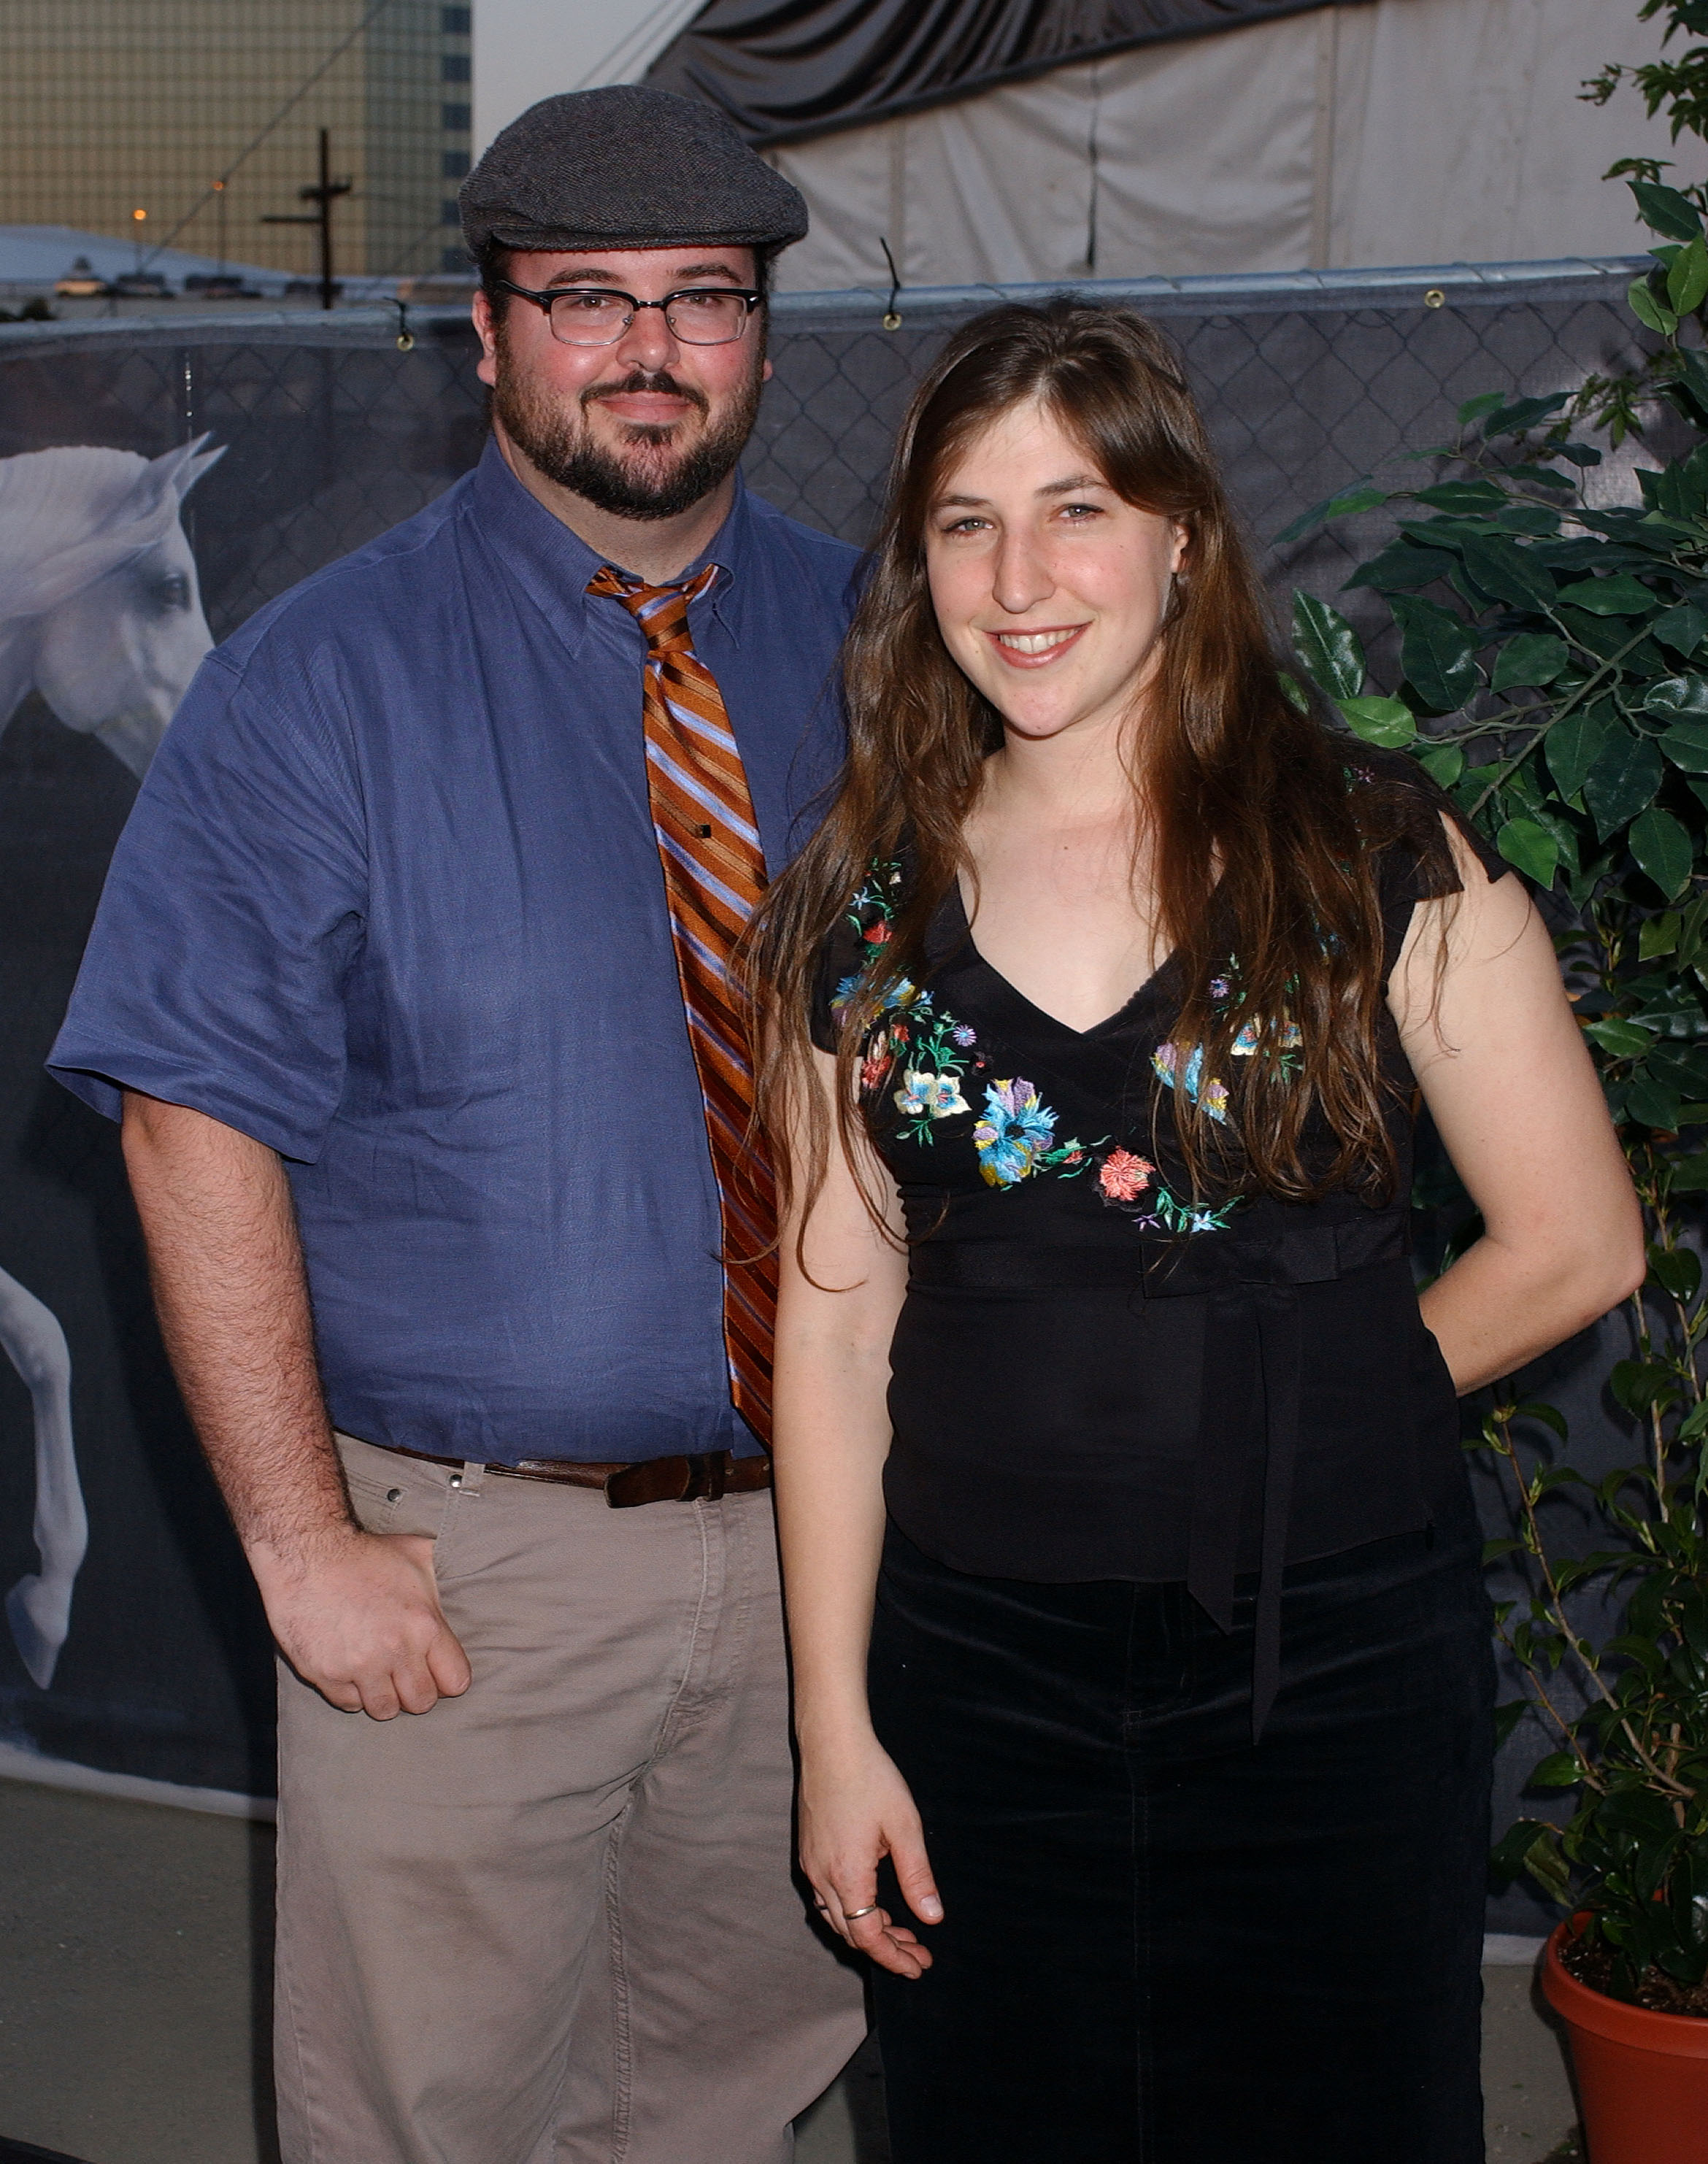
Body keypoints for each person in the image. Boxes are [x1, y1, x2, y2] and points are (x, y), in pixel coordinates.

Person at [48, 85, 866, 2164]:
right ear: (483, 334)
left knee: (727, 2088)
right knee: (429, 2119)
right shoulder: (318, 680)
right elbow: (187, 1119)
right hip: (471, 1567)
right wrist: (301, 1540)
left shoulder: (892, 650)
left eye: (704, 297)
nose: (651, 348)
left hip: (837, 1541)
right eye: (584, 299)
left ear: (763, 329)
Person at [745, 299, 1644, 2163]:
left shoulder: (1380, 853)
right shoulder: (853, 906)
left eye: (1075, 507)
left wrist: (1299, 1403)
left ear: (1180, 535)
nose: (1021, 577)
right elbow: (832, 1334)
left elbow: (1576, 1242)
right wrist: (835, 1729)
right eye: (965, 522)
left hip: (1331, 1669)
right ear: (917, 565)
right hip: (974, 1673)